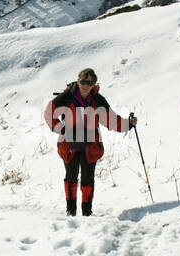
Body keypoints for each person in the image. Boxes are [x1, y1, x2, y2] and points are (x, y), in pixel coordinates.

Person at [43, 68, 137, 216]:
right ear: (78, 81)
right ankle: (71, 211)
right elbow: (49, 113)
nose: (86, 85)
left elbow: (112, 121)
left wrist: (128, 124)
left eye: (90, 82)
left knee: (88, 179)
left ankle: (87, 212)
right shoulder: (67, 97)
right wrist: (62, 130)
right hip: (69, 144)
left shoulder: (97, 100)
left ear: (94, 84)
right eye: (83, 81)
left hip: (90, 146)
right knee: (71, 177)